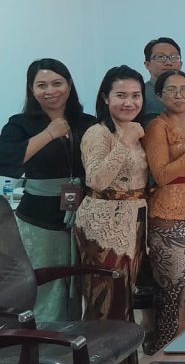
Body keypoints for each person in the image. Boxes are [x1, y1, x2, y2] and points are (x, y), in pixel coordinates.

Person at [0, 58, 95, 323]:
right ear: (31, 90)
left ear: (69, 85)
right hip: (38, 220)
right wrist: (50, 134)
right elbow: (6, 162)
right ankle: (42, 340)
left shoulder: (87, 122)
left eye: (57, 83)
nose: (50, 90)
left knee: (78, 285)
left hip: (83, 215)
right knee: (45, 285)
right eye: (42, 85)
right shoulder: (19, 124)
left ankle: (72, 338)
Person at [142, 70, 185, 353]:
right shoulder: (157, 127)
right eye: (171, 89)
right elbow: (161, 175)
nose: (179, 95)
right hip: (168, 213)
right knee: (174, 287)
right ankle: (167, 349)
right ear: (159, 96)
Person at [75, 66, 147, 325]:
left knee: (125, 295)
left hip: (134, 219)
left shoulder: (137, 130)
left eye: (135, 95)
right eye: (121, 95)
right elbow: (96, 179)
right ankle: (100, 347)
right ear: (106, 97)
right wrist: (125, 142)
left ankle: (124, 347)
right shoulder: (98, 132)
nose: (129, 102)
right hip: (103, 223)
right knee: (104, 296)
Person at [141, 37, 183, 125]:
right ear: (147, 65)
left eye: (174, 57)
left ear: (180, 65)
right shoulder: (141, 94)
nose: (168, 62)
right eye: (161, 57)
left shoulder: (184, 93)